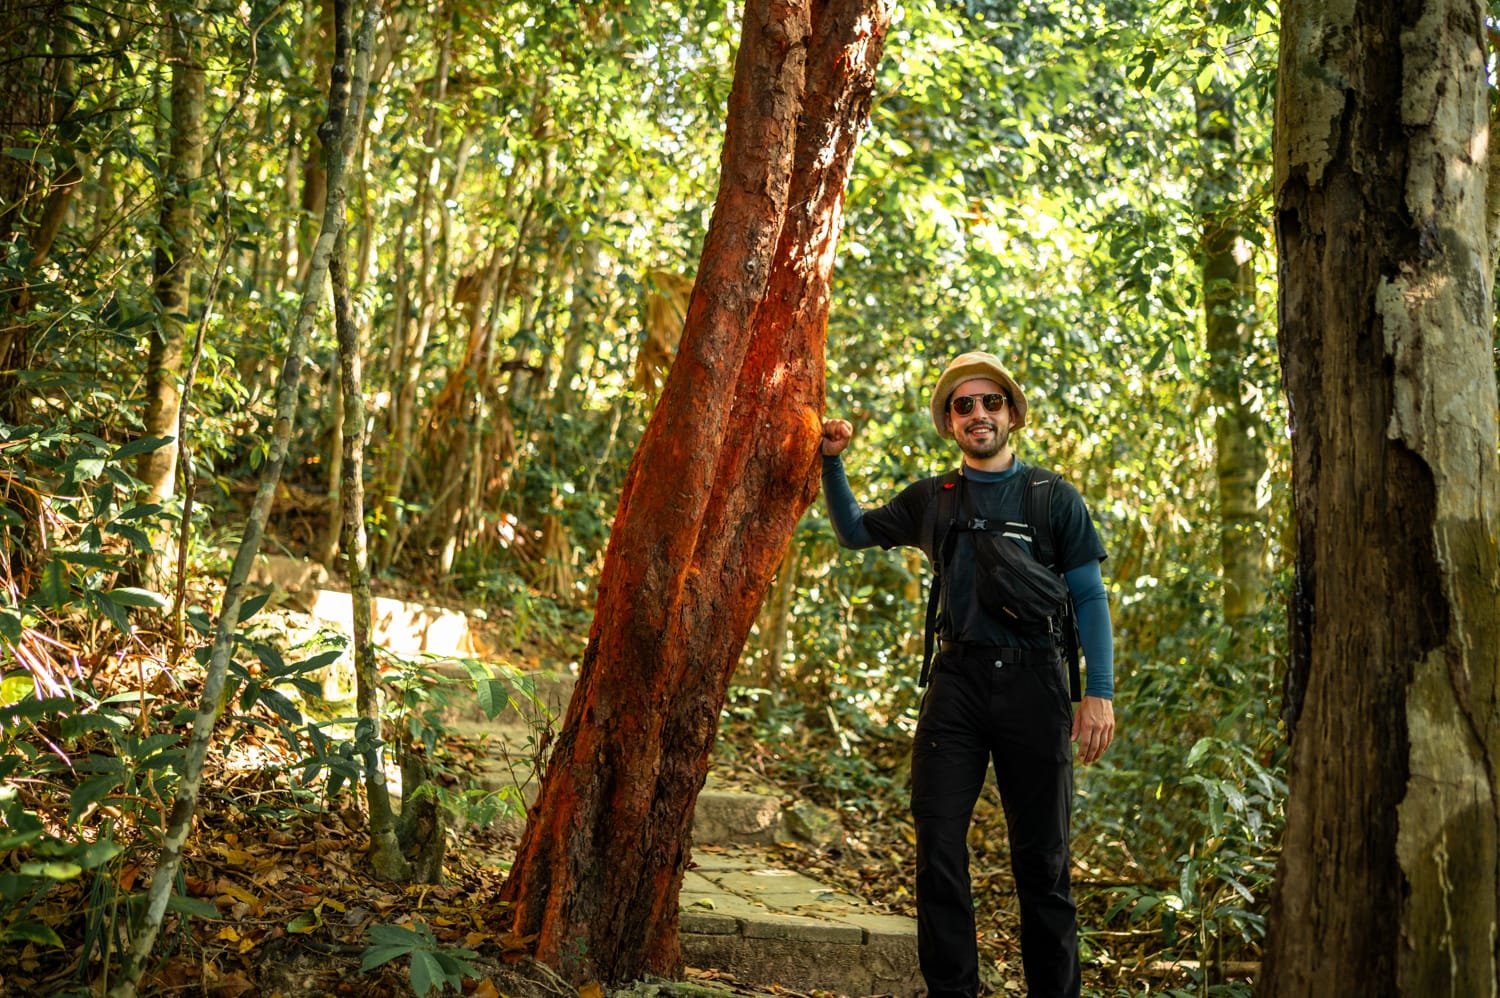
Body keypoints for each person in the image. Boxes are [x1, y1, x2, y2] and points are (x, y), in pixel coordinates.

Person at [819, 350, 1115, 998]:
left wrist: (1098, 694)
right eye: (964, 405)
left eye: (990, 402)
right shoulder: (933, 498)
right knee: (938, 849)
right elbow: (852, 531)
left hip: (1037, 685)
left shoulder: (1052, 497)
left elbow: (1089, 597)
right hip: (956, 685)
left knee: (1044, 865)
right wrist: (832, 459)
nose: (978, 414)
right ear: (949, 421)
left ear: (1011, 412)